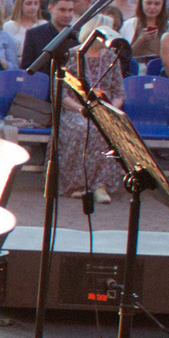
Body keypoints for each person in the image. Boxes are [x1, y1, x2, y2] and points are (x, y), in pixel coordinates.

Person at [52, 21, 126, 203]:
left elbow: (119, 92)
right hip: (76, 110)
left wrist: (109, 110)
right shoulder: (71, 56)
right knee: (83, 129)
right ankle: (77, 184)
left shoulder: (110, 58)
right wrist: (83, 109)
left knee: (109, 129)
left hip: (104, 110)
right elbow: (61, 94)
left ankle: (100, 185)